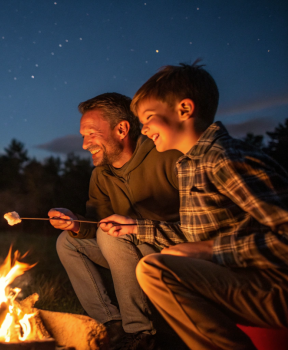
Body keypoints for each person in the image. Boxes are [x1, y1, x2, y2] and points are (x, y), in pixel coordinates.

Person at [101, 62, 288, 350]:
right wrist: (137, 227)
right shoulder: (190, 165)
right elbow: (195, 238)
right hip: (244, 281)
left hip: (275, 286)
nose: (144, 129)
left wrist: (210, 250)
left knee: (154, 270)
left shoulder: (225, 158)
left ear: (185, 110)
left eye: (149, 118)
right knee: (157, 265)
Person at [50, 92, 182, 348]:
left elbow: (199, 225)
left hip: (173, 253)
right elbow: (98, 222)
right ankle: (111, 326)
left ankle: (142, 334)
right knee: (67, 242)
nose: (85, 144)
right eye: (83, 136)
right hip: (126, 250)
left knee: (110, 236)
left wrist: (130, 228)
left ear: (121, 129)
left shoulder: (166, 155)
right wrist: (76, 224)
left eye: (91, 133)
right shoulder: (101, 175)